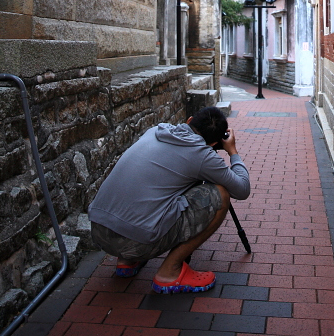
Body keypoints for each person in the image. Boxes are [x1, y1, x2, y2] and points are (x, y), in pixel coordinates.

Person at [88, 106, 250, 294]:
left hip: (98, 231)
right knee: (221, 195)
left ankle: (127, 261)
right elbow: (242, 189)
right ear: (214, 143)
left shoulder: (156, 131)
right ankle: (169, 272)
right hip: (135, 243)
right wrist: (233, 151)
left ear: (189, 120)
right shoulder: (201, 155)